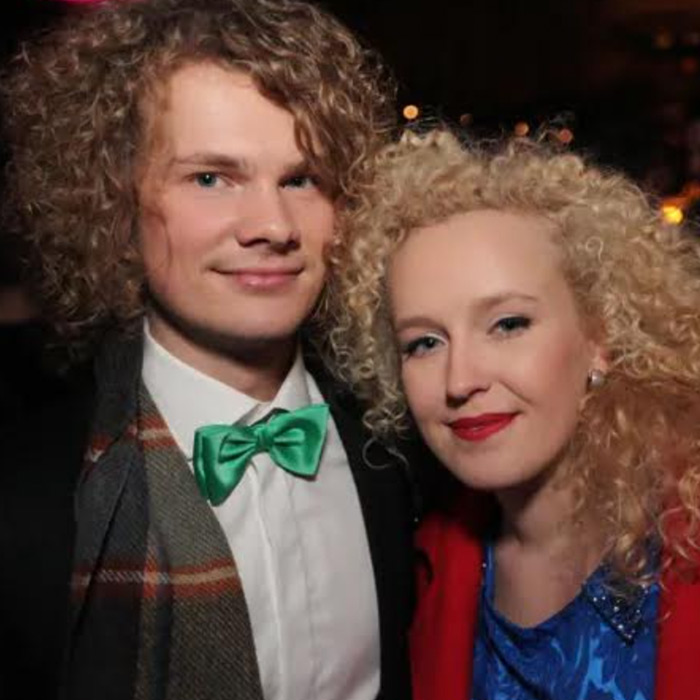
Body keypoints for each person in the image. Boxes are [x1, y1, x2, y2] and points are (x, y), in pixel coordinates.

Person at [0, 1, 419, 699]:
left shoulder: (407, 452)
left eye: (301, 179)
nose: (272, 225)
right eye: (211, 178)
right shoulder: (29, 506)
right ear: (114, 199)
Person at [328, 128, 700, 700]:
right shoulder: (420, 570)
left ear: (601, 338)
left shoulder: (684, 536)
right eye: (424, 343)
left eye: (508, 325)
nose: (460, 381)